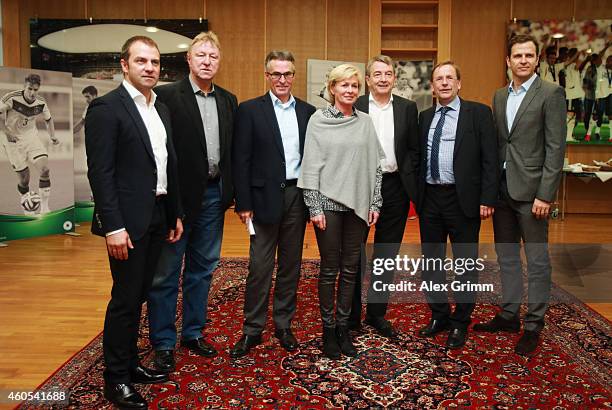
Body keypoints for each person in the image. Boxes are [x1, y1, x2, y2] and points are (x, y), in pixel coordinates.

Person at [85, 36, 183, 408]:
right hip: (126, 221)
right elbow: (101, 173)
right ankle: (116, 379)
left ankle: (130, 364)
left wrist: (174, 213)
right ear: (124, 65)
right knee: (125, 300)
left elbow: (166, 164)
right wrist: (113, 226)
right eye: (141, 61)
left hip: (157, 214)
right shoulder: (106, 109)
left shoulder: (160, 108)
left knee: (141, 294)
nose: (150, 68)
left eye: (155, 62)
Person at [147, 31, 237, 373]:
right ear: (189, 59)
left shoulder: (229, 100)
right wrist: (170, 204)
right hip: (178, 200)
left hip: (214, 197)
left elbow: (231, 152)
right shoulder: (166, 96)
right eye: (200, 55)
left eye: (213, 56)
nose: (207, 61)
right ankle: (164, 342)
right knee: (167, 273)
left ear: (219, 61)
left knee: (203, 270)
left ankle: (193, 333)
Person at [474, 34, 566, 356]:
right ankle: (510, 314)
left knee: (538, 261)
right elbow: (501, 144)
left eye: (529, 55)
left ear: (537, 60)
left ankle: (533, 324)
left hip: (533, 195)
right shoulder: (499, 96)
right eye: (518, 55)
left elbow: (556, 148)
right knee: (507, 258)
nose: (523, 60)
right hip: (503, 192)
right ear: (508, 61)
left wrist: (546, 194)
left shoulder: (551, 93)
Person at [231, 51, 316, 358]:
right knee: (260, 266)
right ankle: (252, 329)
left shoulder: (308, 112)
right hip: (262, 199)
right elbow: (240, 160)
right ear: (266, 76)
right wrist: (243, 202)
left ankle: (283, 324)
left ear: (294, 76)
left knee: (291, 265)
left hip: (297, 197)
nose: (282, 80)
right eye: (276, 74)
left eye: (287, 74)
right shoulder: (250, 110)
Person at [299, 64, 383, 359]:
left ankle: (344, 328)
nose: (349, 90)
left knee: (351, 270)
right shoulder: (318, 120)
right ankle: (327, 329)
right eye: (344, 85)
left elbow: (376, 166)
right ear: (332, 88)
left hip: (358, 206)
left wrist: (375, 203)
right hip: (329, 206)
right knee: (329, 269)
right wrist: (314, 207)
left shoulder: (365, 122)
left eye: (354, 86)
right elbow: (310, 165)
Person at [415, 61, 497, 349]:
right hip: (430, 200)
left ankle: (461, 322)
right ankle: (439, 316)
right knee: (431, 263)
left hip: (464, 200)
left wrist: (488, 198)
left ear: (459, 83)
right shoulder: (424, 117)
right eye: (439, 79)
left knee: (464, 265)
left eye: (450, 78)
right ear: (433, 86)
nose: (445, 83)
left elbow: (490, 159)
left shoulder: (478, 114)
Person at [348, 55, 419, 338]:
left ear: (394, 78)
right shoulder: (354, 105)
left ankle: (376, 313)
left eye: (387, 73)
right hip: (360, 186)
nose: (382, 78)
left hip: (395, 187)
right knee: (355, 253)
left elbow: (413, 149)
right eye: (376, 73)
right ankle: (351, 315)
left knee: (386, 254)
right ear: (367, 79)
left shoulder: (407, 108)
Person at [0, 74, 59, 215]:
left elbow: (48, 119)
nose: (32, 93)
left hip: (31, 138)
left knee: (45, 170)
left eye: (35, 90)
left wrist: (52, 136)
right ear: (24, 87)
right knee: (24, 180)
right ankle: (27, 208)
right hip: (12, 142)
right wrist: (7, 132)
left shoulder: (41, 102)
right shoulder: (11, 98)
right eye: (30, 89)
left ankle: (45, 208)